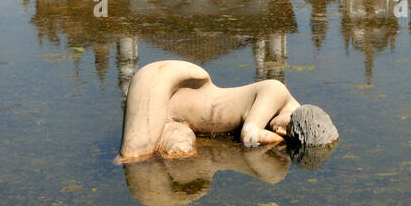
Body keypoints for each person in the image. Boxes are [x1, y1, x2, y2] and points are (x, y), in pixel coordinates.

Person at [117, 60, 337, 163]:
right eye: (286, 130)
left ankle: (167, 131)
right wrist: (277, 140)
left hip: (181, 121)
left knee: (181, 151)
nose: (280, 132)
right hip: (163, 88)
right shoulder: (275, 91)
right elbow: (249, 135)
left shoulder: (281, 115)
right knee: (134, 156)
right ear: (292, 117)